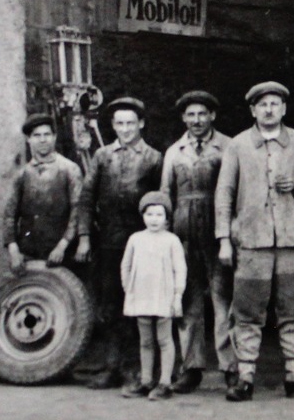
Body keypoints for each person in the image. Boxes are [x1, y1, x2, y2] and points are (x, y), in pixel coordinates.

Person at [215, 81, 294, 402]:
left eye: (275, 104)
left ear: (284, 109)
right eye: (263, 104)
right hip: (252, 242)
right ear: (253, 110)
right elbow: (223, 195)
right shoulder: (238, 146)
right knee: (248, 310)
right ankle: (245, 378)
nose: (269, 109)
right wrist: (224, 239)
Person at [75, 97, 163, 390]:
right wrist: (85, 237)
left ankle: (135, 369)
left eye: (130, 123)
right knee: (110, 305)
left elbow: (162, 203)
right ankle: (111, 367)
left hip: (143, 245)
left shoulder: (153, 158)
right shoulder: (102, 156)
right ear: (112, 126)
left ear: (141, 124)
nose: (125, 129)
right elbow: (86, 199)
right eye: (119, 124)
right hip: (109, 243)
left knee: (140, 306)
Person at [159, 89, 234, 394]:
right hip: (184, 236)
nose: (197, 120)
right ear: (183, 118)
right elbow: (165, 193)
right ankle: (192, 368)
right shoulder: (174, 151)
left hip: (217, 234)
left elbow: (234, 192)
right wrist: (165, 234)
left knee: (223, 302)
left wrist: (229, 233)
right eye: (190, 115)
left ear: (212, 116)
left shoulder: (228, 147)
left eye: (202, 114)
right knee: (188, 303)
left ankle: (231, 367)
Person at [119, 191, 187, 401]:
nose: (154, 219)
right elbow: (126, 265)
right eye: (149, 214)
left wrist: (177, 296)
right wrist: (129, 289)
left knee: (164, 339)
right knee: (146, 341)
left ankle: (165, 382)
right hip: (141, 296)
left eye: (159, 215)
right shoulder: (135, 239)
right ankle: (146, 380)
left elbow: (180, 269)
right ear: (143, 216)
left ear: (166, 217)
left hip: (163, 296)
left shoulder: (172, 240)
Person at [0, 114, 84, 275]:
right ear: (28, 139)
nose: (42, 140)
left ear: (54, 137)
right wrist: (13, 249)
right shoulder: (22, 174)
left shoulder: (69, 170)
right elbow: (9, 215)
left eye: (47, 135)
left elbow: (77, 213)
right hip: (29, 253)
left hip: (63, 253)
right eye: (37, 136)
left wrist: (62, 246)